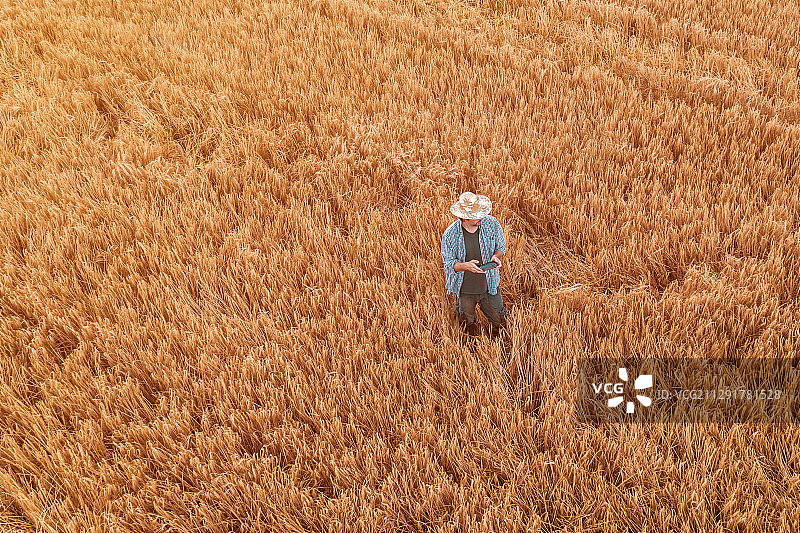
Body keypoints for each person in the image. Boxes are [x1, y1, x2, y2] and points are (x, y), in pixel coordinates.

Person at [441, 191, 508, 337]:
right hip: (465, 290)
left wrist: (496, 257)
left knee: (499, 319)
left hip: (490, 285)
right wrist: (466, 266)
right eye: (477, 216)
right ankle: (471, 343)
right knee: (466, 322)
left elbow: (501, 248)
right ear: (465, 217)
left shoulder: (491, 224)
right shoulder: (450, 235)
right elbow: (449, 264)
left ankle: (497, 341)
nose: (481, 217)